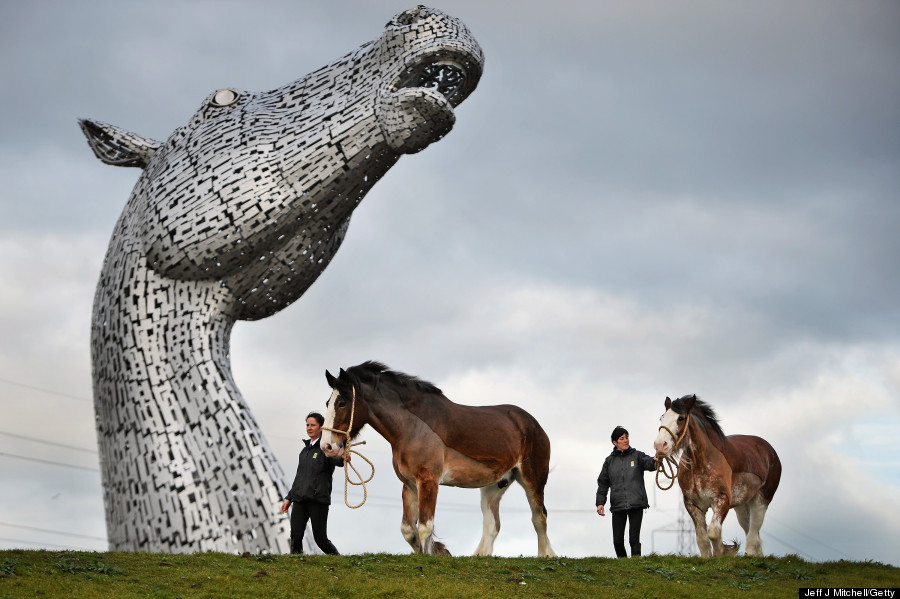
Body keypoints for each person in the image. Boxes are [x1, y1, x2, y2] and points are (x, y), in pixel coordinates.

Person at [281, 411, 349, 554]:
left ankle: (339, 562)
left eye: (313, 425)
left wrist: (343, 457)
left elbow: (338, 460)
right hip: (299, 499)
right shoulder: (304, 451)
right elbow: (299, 477)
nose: (309, 428)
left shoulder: (327, 448)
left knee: (320, 540)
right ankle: (295, 567)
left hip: (318, 500)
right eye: (307, 425)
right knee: (295, 537)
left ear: (321, 428)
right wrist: (289, 498)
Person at [595, 425, 656, 558]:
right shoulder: (609, 461)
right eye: (622, 438)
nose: (626, 440)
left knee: (634, 540)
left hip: (636, 504)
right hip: (618, 505)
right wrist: (600, 503)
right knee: (617, 542)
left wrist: (656, 461)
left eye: (627, 437)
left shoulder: (637, 456)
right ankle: (623, 565)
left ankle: (636, 565)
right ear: (615, 442)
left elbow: (650, 463)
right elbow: (603, 483)